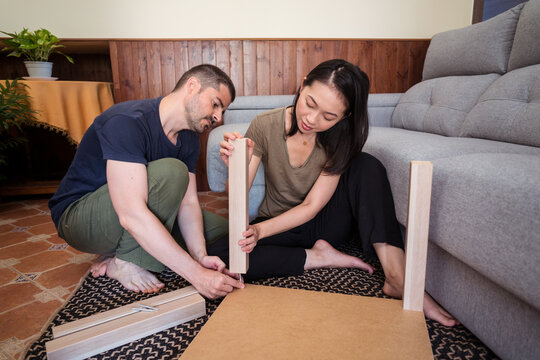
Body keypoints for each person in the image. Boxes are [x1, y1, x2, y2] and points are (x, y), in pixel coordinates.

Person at [210, 59, 458, 326]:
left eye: (329, 117)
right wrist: (236, 168)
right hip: (280, 222)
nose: (311, 120)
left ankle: (397, 277)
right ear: (303, 84)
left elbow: (311, 206)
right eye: (309, 103)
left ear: (344, 116)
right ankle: (316, 257)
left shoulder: (342, 137)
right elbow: (235, 198)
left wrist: (259, 233)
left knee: (367, 165)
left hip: (324, 220)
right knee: (220, 256)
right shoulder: (264, 125)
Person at [48, 64, 244, 299]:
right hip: (79, 218)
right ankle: (124, 262)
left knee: (223, 232)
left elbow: (189, 203)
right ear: (192, 86)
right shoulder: (127, 121)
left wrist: (200, 255)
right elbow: (131, 214)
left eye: (223, 111)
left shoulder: (189, 139)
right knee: (172, 172)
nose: (218, 117)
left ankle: (128, 250)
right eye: (215, 104)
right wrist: (197, 275)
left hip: (125, 214)